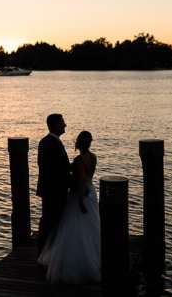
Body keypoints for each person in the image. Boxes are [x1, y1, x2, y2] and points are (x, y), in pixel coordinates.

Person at [38, 130, 101, 284]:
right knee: (90, 228)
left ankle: (72, 262)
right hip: (91, 193)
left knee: (73, 229)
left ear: (78, 143)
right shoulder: (93, 157)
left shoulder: (78, 160)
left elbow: (79, 182)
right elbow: (87, 177)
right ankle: (91, 257)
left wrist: (79, 202)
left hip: (79, 196)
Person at [36, 113, 71, 254]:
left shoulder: (46, 141)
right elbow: (56, 171)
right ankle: (46, 251)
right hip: (54, 191)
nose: (65, 125)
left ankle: (45, 250)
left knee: (48, 220)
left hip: (49, 189)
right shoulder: (52, 144)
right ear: (55, 125)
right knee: (51, 221)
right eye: (62, 122)